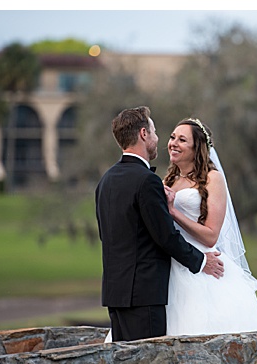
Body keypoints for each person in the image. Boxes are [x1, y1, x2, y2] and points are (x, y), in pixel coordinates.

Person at [95, 106, 225, 343]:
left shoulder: (106, 180)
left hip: (116, 292)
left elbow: (107, 235)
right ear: (144, 134)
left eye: (180, 138)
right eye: (156, 132)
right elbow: (165, 236)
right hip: (145, 292)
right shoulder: (148, 181)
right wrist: (202, 260)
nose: (163, 140)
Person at [162, 117, 257, 335]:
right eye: (172, 137)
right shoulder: (169, 180)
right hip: (173, 263)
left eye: (182, 140)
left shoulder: (212, 179)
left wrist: (173, 213)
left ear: (197, 148)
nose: (173, 143)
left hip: (205, 267)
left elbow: (211, 236)